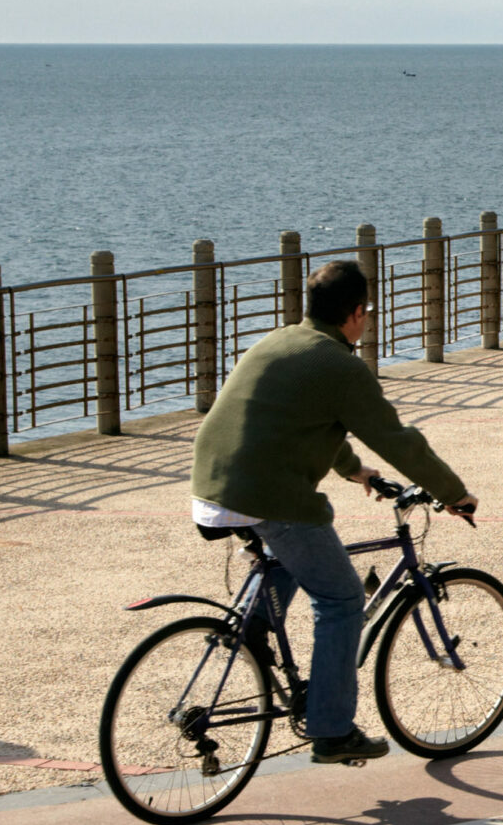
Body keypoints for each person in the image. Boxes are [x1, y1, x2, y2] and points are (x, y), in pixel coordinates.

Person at [190, 260, 478, 765]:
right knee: (342, 598)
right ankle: (332, 730)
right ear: (357, 313)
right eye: (366, 313)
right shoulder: (341, 365)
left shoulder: (278, 342)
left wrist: (352, 470)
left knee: (284, 561)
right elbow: (398, 441)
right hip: (267, 496)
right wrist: (454, 493)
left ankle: (253, 632)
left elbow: (303, 419)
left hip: (212, 487)